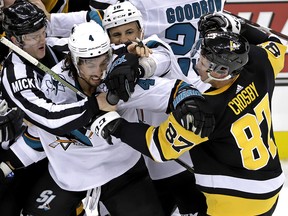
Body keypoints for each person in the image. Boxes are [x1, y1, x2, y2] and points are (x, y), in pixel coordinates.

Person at [94, 12, 287, 216]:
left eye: (204, 62)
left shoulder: (207, 108)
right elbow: (275, 42)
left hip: (234, 201)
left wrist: (114, 125)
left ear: (220, 71)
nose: (197, 64)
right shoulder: (259, 63)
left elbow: (159, 147)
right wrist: (239, 28)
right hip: (272, 184)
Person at [8, 20, 165, 216]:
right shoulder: (53, 85)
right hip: (69, 178)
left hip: (123, 171)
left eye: (103, 60)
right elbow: (44, 131)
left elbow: (160, 52)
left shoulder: (120, 69)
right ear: (74, 60)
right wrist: (8, 164)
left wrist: (146, 64)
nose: (98, 71)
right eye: (89, 62)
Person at [102, 2, 207, 215]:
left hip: (180, 158)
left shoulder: (156, 46)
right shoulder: (104, 66)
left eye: (129, 31)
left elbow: (158, 61)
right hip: (143, 166)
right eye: (116, 34)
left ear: (141, 30)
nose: (124, 39)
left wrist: (138, 68)